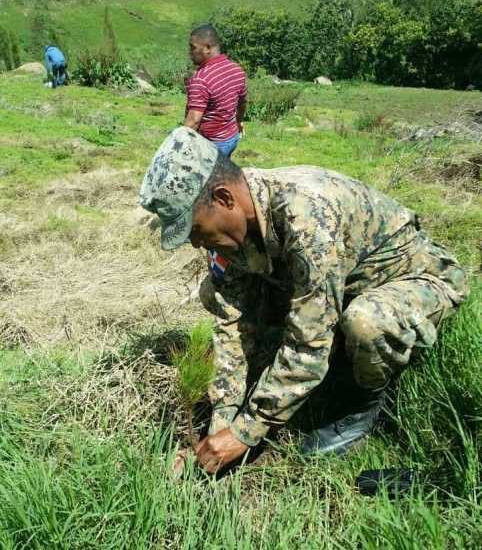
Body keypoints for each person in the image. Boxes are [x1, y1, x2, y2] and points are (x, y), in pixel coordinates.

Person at [139, 127, 468, 474]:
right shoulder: (235, 225)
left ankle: (368, 404)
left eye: (196, 230)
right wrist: (221, 426)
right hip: (341, 283)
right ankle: (338, 351)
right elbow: (232, 330)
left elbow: (308, 346)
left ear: (224, 199)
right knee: (215, 292)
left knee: (365, 323)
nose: (195, 244)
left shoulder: (307, 215)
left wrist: (245, 432)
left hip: (415, 280)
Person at [183, 24, 247, 157]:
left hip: (211, 145)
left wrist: (179, 148)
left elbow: (194, 120)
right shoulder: (236, 70)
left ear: (207, 48)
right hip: (231, 138)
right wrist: (238, 122)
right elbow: (242, 103)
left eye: (193, 47)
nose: (189, 52)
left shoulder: (201, 79)